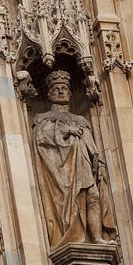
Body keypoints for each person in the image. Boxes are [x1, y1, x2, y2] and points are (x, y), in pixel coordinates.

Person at [31, 70, 115, 248]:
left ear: (70, 93)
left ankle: (96, 237)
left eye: (64, 88)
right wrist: (66, 130)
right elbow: (41, 138)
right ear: (49, 94)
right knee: (73, 202)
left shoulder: (80, 120)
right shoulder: (44, 118)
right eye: (56, 89)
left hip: (84, 163)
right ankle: (71, 235)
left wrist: (99, 163)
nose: (61, 91)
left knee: (93, 196)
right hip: (63, 169)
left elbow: (91, 144)